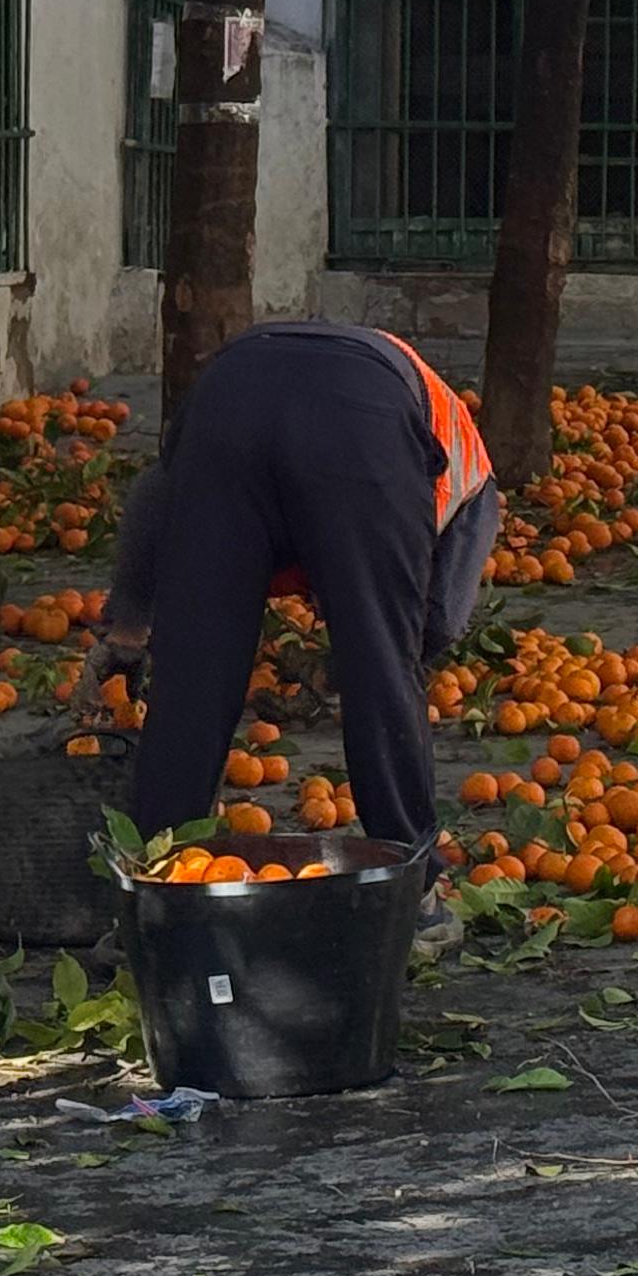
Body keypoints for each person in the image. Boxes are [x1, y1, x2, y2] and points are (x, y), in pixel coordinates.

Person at [112, 322, 500, 872]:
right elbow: (432, 624)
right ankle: (413, 887)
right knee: (383, 665)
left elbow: (158, 493)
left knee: (191, 671)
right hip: (358, 422)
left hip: (229, 391)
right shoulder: (474, 479)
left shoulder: (436, 445)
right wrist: (352, 646)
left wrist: (127, 631)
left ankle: (155, 889)